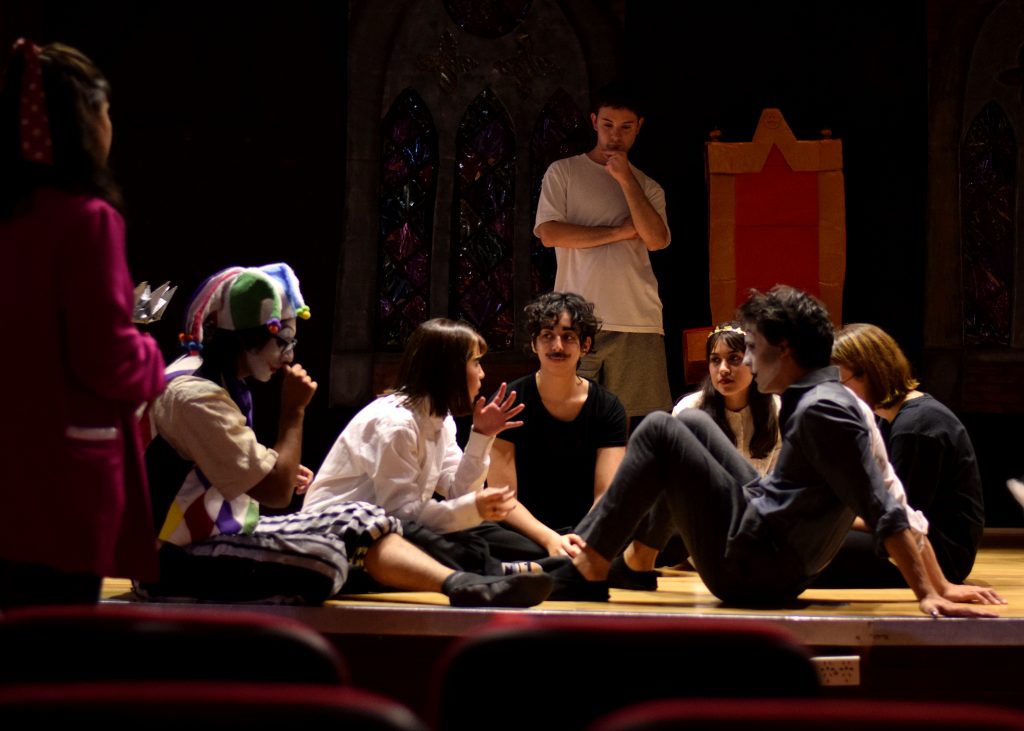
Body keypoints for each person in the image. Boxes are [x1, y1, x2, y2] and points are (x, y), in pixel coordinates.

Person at [540, 285, 1004, 618]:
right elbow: (892, 491)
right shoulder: (833, 398)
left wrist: (929, 592)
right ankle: (636, 563)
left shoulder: (823, 411)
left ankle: (591, 565)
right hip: (768, 546)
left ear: (784, 350)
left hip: (754, 570)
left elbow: (883, 505)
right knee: (695, 421)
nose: (745, 362)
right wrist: (940, 582)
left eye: (754, 350)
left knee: (662, 428)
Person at [140, 266, 551, 607]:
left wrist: (270, 464)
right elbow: (278, 494)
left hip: (227, 533)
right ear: (246, 338)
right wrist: (293, 414)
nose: (287, 355)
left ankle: (461, 583)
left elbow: (229, 467)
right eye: (279, 340)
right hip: (178, 556)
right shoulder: (194, 394)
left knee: (365, 519)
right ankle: (473, 576)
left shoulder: (213, 384)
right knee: (328, 560)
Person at [0, 40, 166, 608]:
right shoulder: (86, 220)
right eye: (106, 109)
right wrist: (149, 356)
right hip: (58, 483)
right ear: (85, 119)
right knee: (53, 654)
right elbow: (107, 358)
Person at [302, 318, 541, 579]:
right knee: (454, 539)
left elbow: (458, 493)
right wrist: (472, 508)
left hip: (397, 525)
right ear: (450, 369)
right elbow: (401, 515)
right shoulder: (396, 423)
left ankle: (524, 567)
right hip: (341, 539)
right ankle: (498, 573)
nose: (482, 373)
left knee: (503, 539)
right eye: (475, 363)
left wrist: (482, 436)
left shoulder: (440, 418)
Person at [534, 81, 671, 428]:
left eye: (626, 127)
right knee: (573, 419)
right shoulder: (564, 171)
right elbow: (549, 234)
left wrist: (625, 179)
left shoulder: (648, 186)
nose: (615, 136)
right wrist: (619, 233)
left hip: (636, 317)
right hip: (578, 317)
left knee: (627, 426)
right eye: (608, 125)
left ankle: (618, 484)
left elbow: (656, 240)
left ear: (639, 126)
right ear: (595, 121)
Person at [819, 323, 985, 586]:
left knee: (817, 547)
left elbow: (900, 519)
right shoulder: (890, 419)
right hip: (913, 539)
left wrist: (833, 518)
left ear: (868, 374)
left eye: (839, 382)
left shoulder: (917, 428)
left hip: (942, 556)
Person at [487, 292, 628, 559]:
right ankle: (569, 564)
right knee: (479, 534)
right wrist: (551, 540)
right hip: (525, 531)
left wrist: (580, 540)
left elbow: (605, 495)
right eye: (547, 336)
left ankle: (554, 564)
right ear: (534, 344)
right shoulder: (507, 401)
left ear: (585, 345)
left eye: (568, 337)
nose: (557, 346)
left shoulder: (608, 408)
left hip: (587, 529)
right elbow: (503, 499)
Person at [673, 321, 781, 476]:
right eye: (715, 360)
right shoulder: (688, 411)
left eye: (734, 358)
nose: (723, 369)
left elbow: (781, 483)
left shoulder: (778, 410)